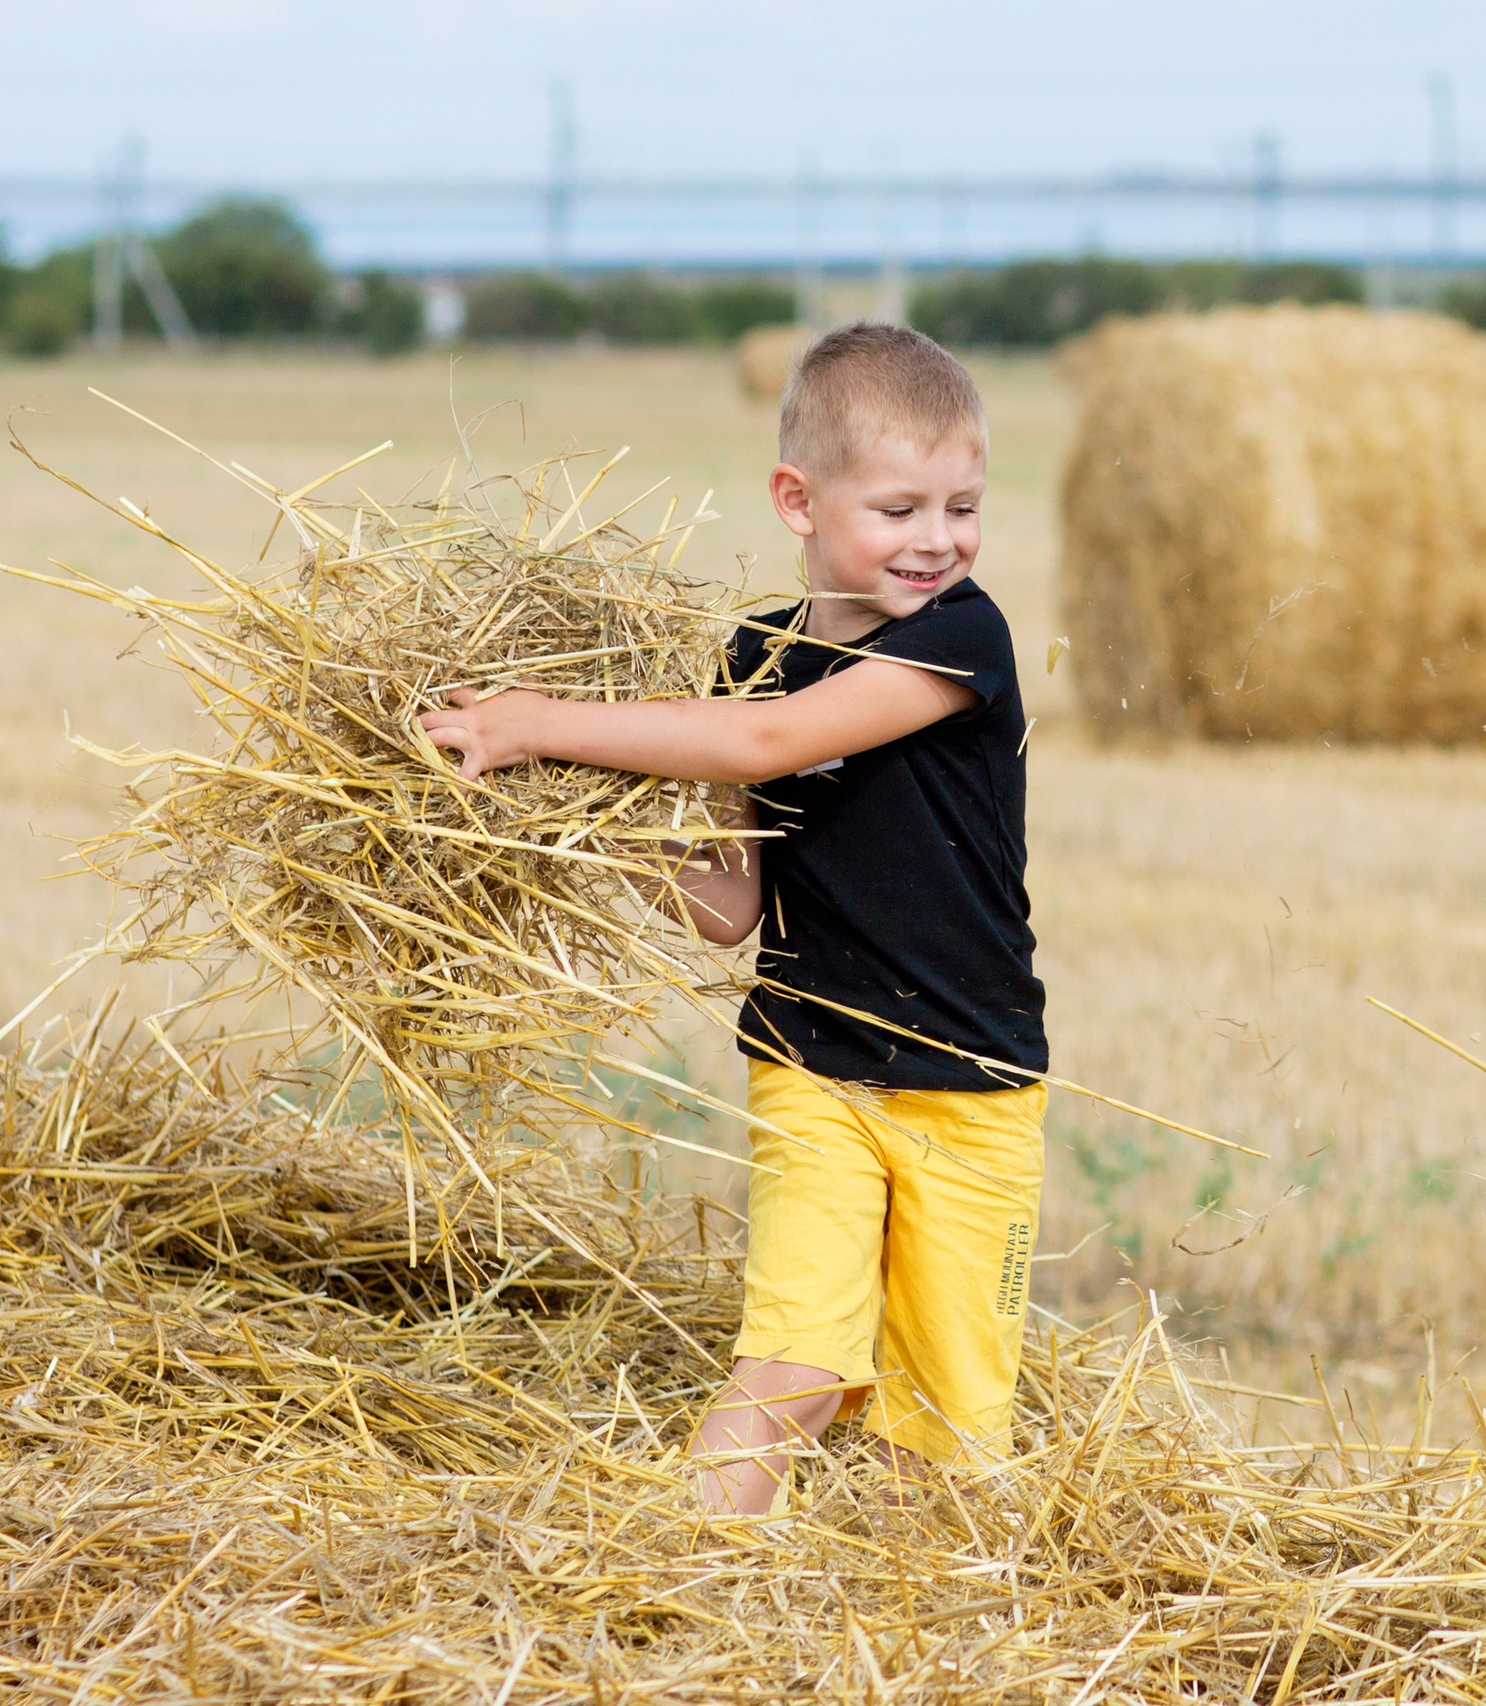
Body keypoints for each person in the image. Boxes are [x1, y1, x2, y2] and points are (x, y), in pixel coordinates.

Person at [418, 323, 1047, 1516]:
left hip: (971, 1083)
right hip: (808, 1065)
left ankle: (916, 1603)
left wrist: (542, 720)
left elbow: (765, 742)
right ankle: (681, 1586)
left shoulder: (964, 638)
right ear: (798, 500)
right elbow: (727, 902)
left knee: (946, 1440)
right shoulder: (757, 652)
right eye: (900, 508)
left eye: (962, 507)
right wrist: (574, 811)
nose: (938, 539)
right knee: (795, 1362)